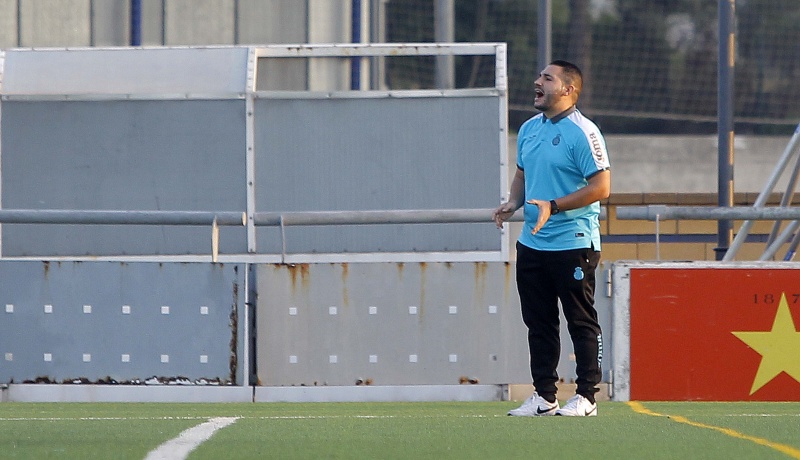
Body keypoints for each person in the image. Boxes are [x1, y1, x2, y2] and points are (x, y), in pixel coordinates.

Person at [493, 60, 610, 417]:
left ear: (568, 90)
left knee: (580, 320)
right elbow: (522, 172)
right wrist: (513, 202)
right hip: (532, 243)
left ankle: (587, 396)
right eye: (539, 75)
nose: (537, 81)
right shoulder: (529, 129)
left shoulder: (584, 132)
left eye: (547, 77)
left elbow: (601, 187)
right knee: (539, 322)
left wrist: (554, 206)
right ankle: (544, 396)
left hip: (573, 242)